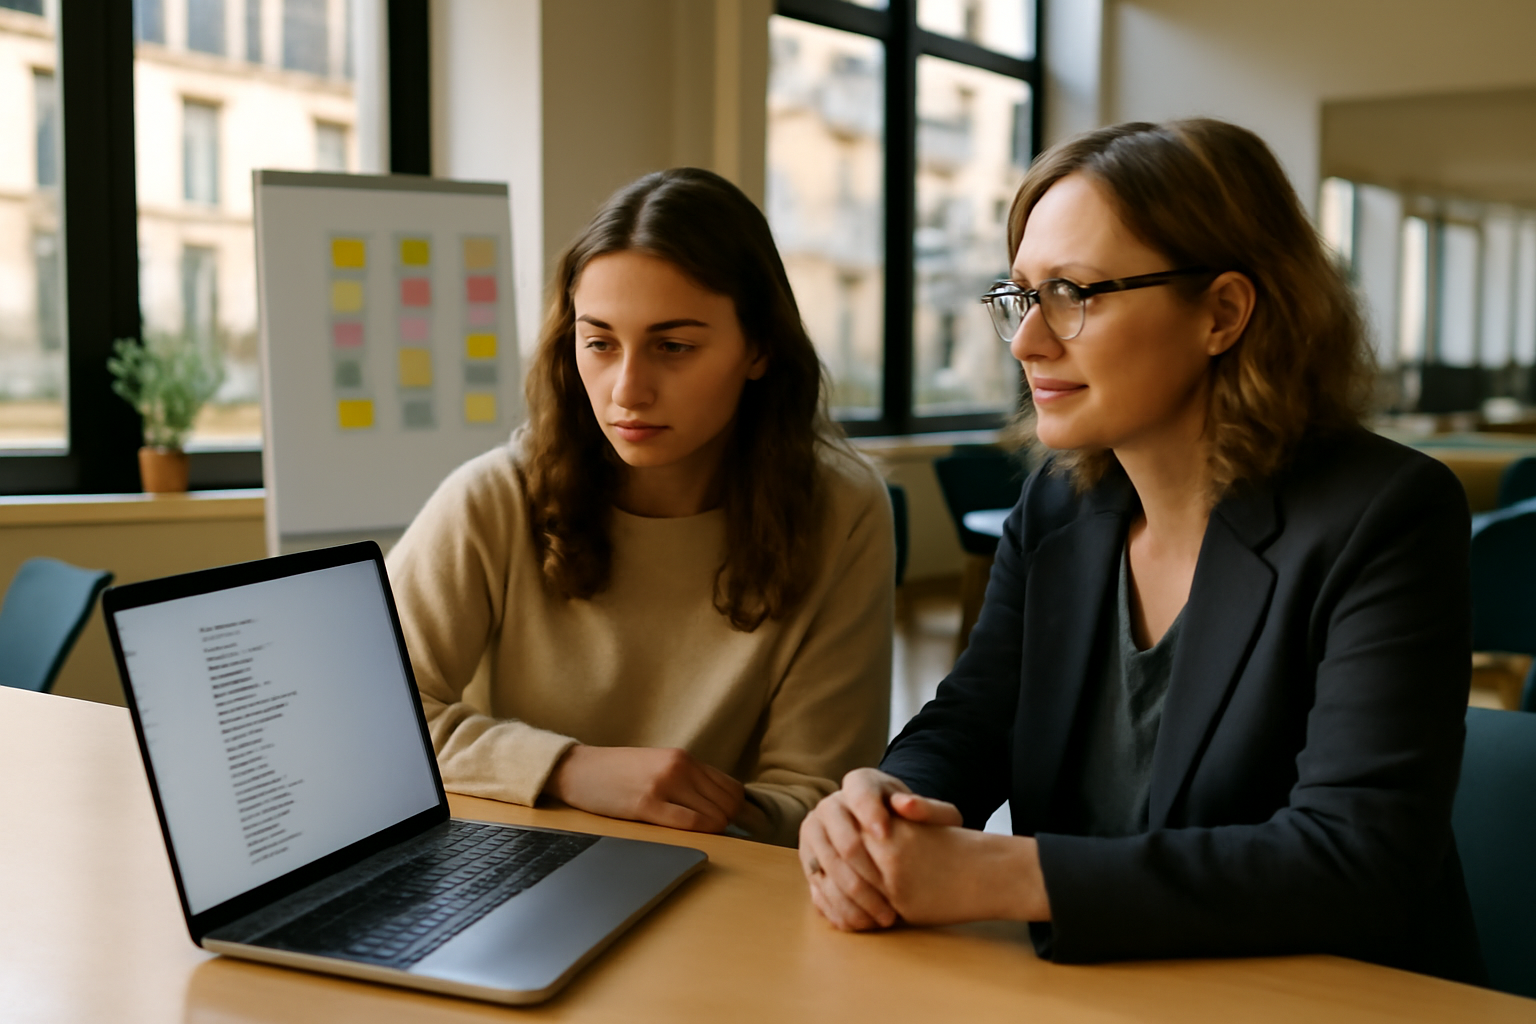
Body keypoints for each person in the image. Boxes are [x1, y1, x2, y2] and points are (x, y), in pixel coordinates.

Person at [798, 118, 1485, 984]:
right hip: (1100, 990)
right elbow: (971, 721)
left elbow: (1356, 859)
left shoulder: (1385, 514)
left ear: (1224, 313)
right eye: (1020, 295)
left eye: (1074, 293)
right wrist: (879, 804)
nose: (1026, 341)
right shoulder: (1057, 502)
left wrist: (1003, 871)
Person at [387, 168, 893, 848]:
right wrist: (570, 770)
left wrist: (677, 816)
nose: (627, 390)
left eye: (673, 347)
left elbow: (814, 796)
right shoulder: (492, 498)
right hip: (509, 863)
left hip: (724, 883)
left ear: (760, 348)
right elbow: (370, 721)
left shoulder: (844, 510)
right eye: (599, 342)